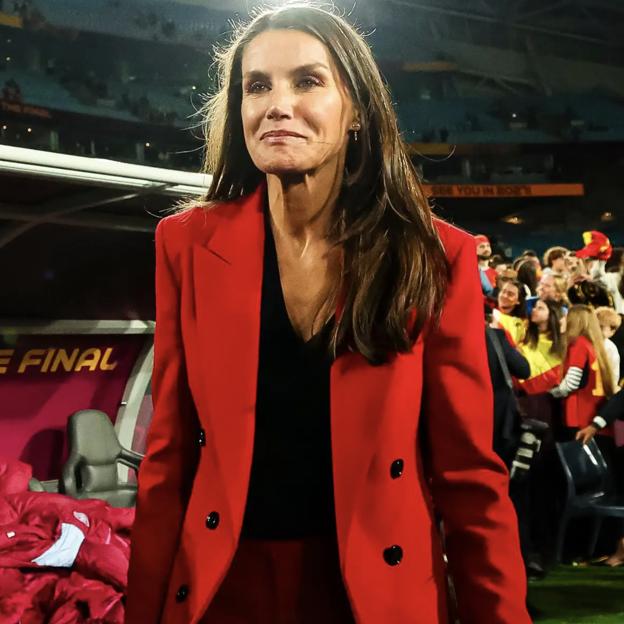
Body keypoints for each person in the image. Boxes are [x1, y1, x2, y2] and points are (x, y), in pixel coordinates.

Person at [125, 6, 529, 624]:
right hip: (222, 589)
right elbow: (168, 460)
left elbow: (470, 478)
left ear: (357, 111)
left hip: (375, 593)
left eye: (307, 81)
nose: (277, 104)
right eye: (256, 86)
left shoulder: (433, 253)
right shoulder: (185, 244)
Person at [550, 305, 616, 441]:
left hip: (578, 414)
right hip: (594, 412)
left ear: (574, 321)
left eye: (565, 317)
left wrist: (551, 394)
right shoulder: (594, 345)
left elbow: (572, 382)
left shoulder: (578, 343)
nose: (561, 320)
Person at [492, 278, 527, 346]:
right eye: (503, 291)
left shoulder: (518, 324)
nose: (504, 296)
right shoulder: (488, 308)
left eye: (510, 294)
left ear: (518, 301)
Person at [595, 306, 621, 389]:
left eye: (615, 328)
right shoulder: (609, 347)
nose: (614, 331)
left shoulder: (610, 347)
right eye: (612, 327)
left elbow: (614, 376)